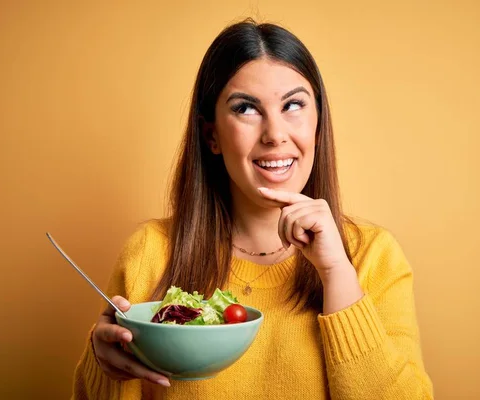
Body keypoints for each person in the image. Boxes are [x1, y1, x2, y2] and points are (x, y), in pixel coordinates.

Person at [72, 19, 433, 400]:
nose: (275, 134)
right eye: (246, 108)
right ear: (212, 135)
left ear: (317, 123)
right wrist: (104, 364)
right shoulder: (149, 253)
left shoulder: (374, 257)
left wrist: (336, 272)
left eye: (293, 105)